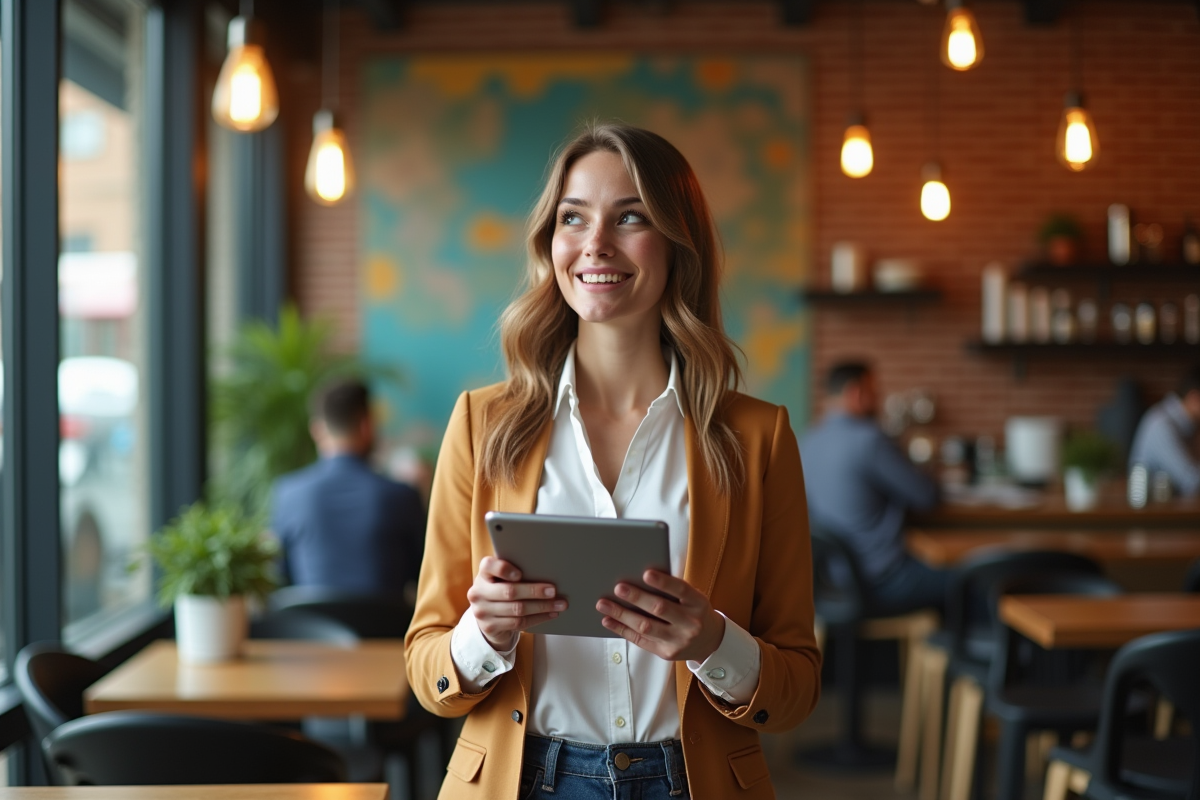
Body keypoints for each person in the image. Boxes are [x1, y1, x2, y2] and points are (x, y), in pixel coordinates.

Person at [405, 124, 820, 800]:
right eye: (574, 218)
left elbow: (797, 688)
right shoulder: (483, 424)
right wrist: (485, 633)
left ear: (677, 243)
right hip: (522, 780)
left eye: (630, 217)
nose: (595, 243)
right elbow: (427, 669)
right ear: (551, 244)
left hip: (692, 782)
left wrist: (711, 642)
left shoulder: (757, 437)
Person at [798, 361, 945, 614]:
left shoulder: (807, 441)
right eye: (875, 392)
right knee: (967, 580)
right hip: (879, 581)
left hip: (829, 580)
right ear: (856, 393)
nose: (879, 399)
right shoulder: (870, 440)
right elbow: (926, 496)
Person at [270, 377, 425, 596]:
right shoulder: (403, 496)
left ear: (317, 430)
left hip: (308, 628)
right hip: (386, 628)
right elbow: (423, 574)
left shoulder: (288, 493)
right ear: (366, 426)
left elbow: (278, 575)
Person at [1128, 365, 1200, 497]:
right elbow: (1192, 482)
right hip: (1152, 514)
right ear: (1195, 397)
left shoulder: (1188, 427)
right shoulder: (1162, 425)